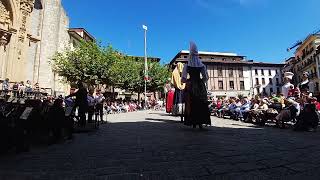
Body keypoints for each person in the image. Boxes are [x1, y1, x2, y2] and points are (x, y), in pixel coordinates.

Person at [182, 42, 211, 129]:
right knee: (201, 103)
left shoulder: (187, 66)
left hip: (191, 85)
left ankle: (193, 122)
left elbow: (183, 79)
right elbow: (206, 77)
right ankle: (201, 122)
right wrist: (200, 81)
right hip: (200, 85)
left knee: (191, 103)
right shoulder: (202, 65)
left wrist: (188, 81)